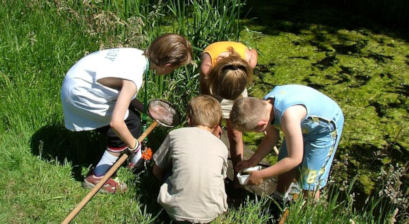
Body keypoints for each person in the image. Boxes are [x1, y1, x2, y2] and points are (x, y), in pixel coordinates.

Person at [61, 33, 193, 193]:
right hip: (80, 94)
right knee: (129, 126)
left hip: (76, 81)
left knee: (132, 120)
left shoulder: (136, 54)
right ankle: (97, 177)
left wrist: (146, 109)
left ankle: (125, 155)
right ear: (168, 64)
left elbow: (117, 88)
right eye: (175, 68)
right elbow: (116, 122)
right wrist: (134, 145)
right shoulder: (133, 78)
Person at [230, 84, 344, 200]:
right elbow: (271, 137)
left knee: (309, 180)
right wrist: (252, 162)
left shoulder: (288, 117)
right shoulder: (263, 108)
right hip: (300, 125)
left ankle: (310, 212)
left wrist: (261, 175)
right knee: (283, 162)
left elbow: (295, 159)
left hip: (324, 130)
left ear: (261, 126)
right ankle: (279, 197)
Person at [152, 95, 228, 223]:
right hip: (210, 214)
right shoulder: (222, 147)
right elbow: (221, 177)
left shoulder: (175, 134)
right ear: (217, 125)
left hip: (175, 212)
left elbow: (156, 170)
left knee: (170, 167)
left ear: (189, 119)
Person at [200, 41, 257, 172]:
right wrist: (208, 104)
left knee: (236, 133)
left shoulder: (249, 62)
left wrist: (250, 49)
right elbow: (204, 89)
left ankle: (238, 171)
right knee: (213, 129)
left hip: (236, 80)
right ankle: (213, 167)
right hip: (213, 89)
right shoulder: (207, 68)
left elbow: (254, 51)